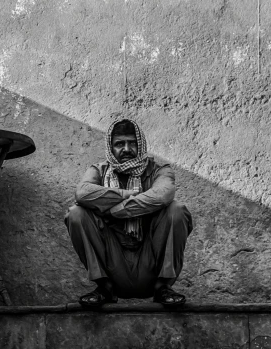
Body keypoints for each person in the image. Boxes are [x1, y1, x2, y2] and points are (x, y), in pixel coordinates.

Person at [65, 118, 193, 308]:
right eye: (119, 144)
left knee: (176, 210)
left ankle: (162, 287)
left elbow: (161, 196)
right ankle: (105, 287)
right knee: (76, 213)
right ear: (110, 147)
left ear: (140, 144)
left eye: (132, 143)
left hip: (149, 258)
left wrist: (115, 211)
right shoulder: (99, 171)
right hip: (113, 259)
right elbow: (82, 193)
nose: (126, 149)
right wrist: (127, 194)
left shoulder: (159, 171)